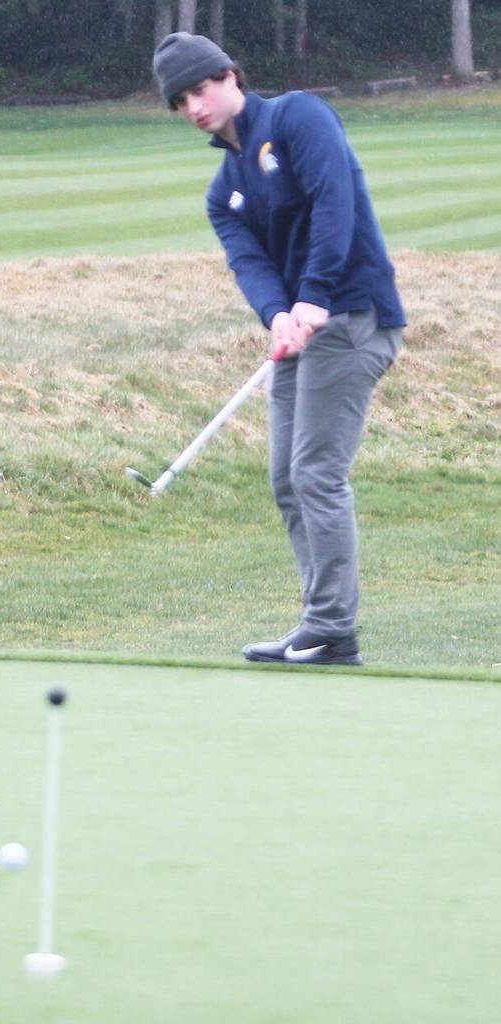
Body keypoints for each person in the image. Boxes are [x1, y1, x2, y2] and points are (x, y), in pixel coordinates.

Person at [152, 33, 406, 666]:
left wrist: (315, 296)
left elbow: (334, 203)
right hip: (301, 333)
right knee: (287, 479)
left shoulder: (299, 116)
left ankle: (329, 627)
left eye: (200, 88)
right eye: (180, 100)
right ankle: (324, 625)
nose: (194, 107)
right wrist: (277, 314)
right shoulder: (223, 190)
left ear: (230, 76)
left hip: (353, 317)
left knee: (317, 472)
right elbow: (250, 265)